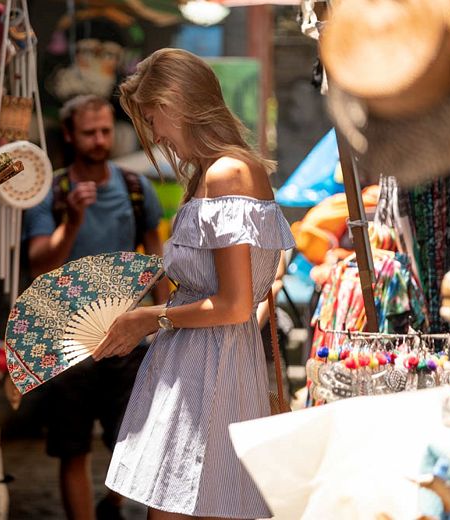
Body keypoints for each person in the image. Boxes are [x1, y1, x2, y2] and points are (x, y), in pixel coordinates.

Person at [93, 49, 296, 519]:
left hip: (208, 376)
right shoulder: (216, 173)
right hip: (205, 369)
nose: (155, 134)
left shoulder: (228, 174)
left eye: (151, 117)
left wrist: (150, 318)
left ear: (175, 103)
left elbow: (235, 304)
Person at [23, 94, 167, 520]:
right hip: (68, 344)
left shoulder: (137, 188)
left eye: (106, 130)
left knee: (135, 439)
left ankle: (116, 500)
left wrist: (164, 328)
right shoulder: (51, 191)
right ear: (69, 135)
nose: (100, 140)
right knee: (74, 447)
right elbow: (39, 263)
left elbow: (156, 264)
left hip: (128, 337)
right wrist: (72, 222)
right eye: (89, 132)